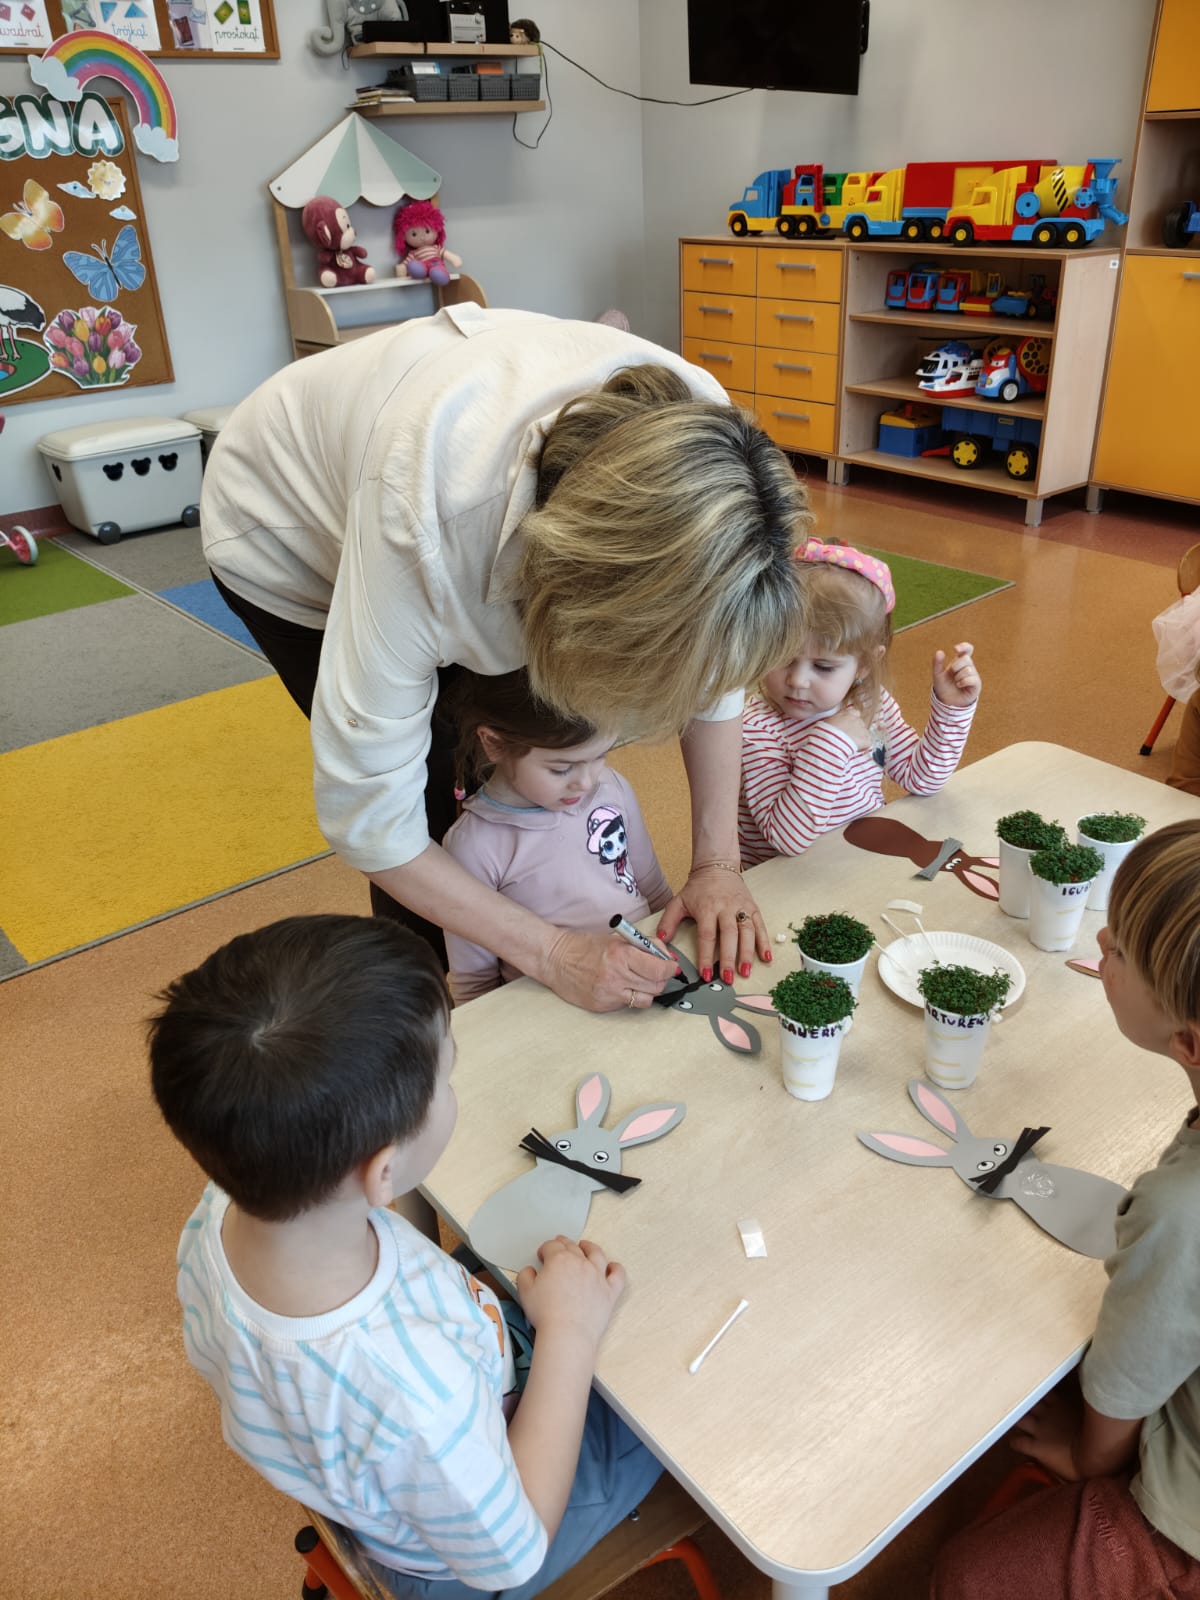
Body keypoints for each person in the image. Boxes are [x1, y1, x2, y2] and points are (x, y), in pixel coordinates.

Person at [200, 306, 810, 1012]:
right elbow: (374, 819)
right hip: (283, 522)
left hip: (463, 495)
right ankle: (437, 1014)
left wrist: (717, 864)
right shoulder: (424, 519)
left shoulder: (714, 445)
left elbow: (711, 665)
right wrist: (551, 953)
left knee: (539, 742)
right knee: (437, 791)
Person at [149, 914, 663, 1599]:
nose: (453, 1085)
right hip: (469, 1546)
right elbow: (517, 1550)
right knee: (672, 1392)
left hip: (402, 1467)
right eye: (447, 1075)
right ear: (383, 1172)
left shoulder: (221, 1207)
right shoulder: (416, 1394)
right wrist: (568, 1332)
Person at [932, 819, 1200, 1600]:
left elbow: (1126, 1378)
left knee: (969, 1578)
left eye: (1125, 953)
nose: (1105, 939)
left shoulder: (1180, 1210)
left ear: (1189, 1044)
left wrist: (1089, 1458)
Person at [737, 538, 981, 867]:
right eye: (781, 657)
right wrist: (830, 743)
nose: (798, 680)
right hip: (787, 884)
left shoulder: (870, 706)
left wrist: (951, 710)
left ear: (864, 665)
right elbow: (786, 838)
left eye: (823, 666)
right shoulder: (758, 730)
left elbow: (922, 778)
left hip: (858, 865)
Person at [440, 670, 673, 1004]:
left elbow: (655, 891)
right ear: (495, 744)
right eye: (562, 769)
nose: (586, 782)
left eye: (600, 756)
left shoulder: (612, 788)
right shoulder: (473, 845)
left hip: (646, 980)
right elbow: (475, 986)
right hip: (553, 1007)